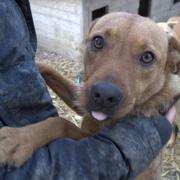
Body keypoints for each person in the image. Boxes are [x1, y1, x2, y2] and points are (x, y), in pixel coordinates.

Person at [0, 0, 176, 179]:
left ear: (170, 63)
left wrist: (59, 127)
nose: (106, 90)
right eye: (98, 43)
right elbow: (85, 109)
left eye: (146, 57)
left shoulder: (153, 114)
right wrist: (43, 71)